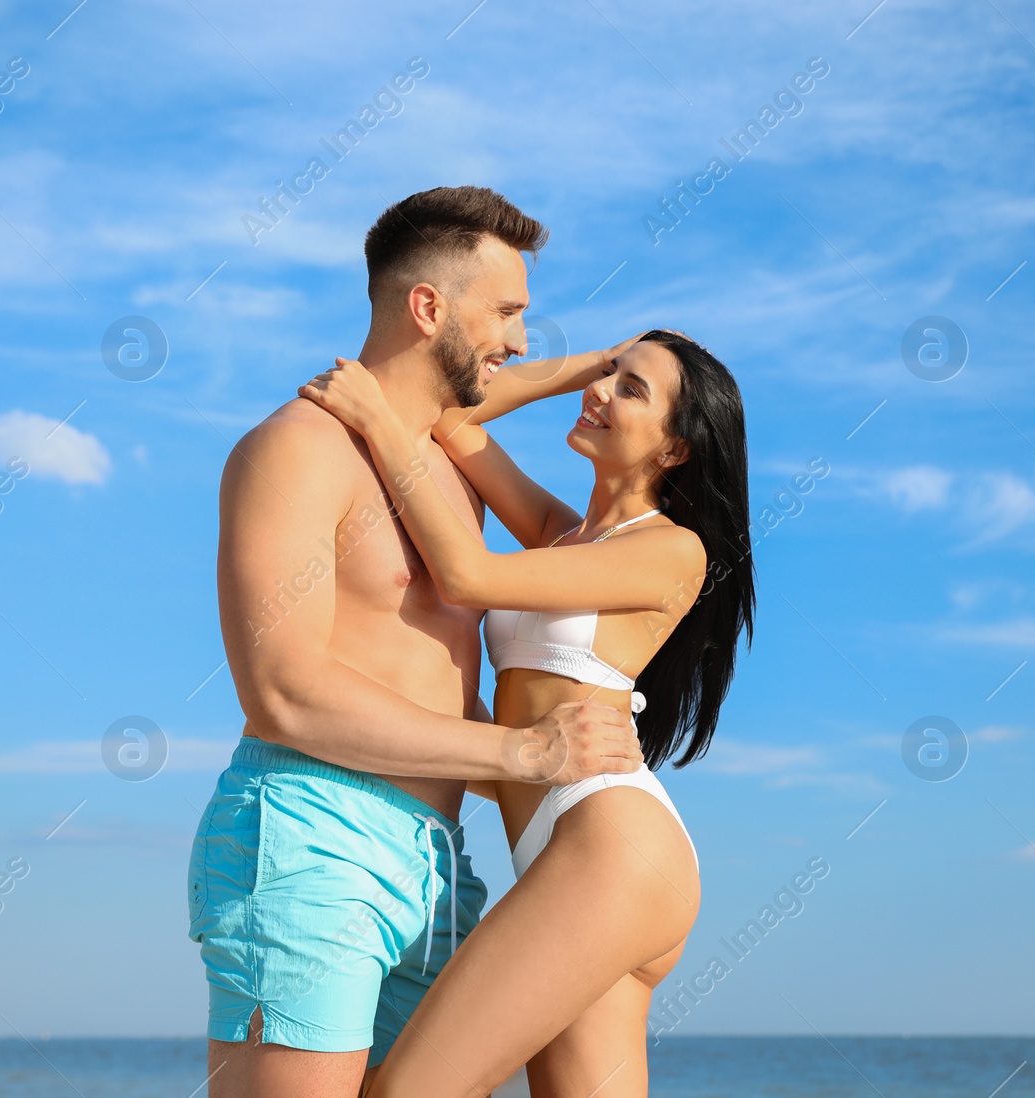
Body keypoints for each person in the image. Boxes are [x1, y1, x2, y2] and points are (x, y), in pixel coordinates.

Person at [189, 185, 647, 1098]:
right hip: (312, 832)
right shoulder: (297, 450)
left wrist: (610, 362)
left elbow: (427, 687)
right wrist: (519, 751)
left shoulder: (440, 463)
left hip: (435, 857)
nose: (521, 340)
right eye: (509, 312)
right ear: (428, 307)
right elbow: (281, 692)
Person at [297, 326, 754, 1097]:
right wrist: (590, 363)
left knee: (403, 1091)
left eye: (631, 389)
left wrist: (375, 417)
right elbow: (451, 417)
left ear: (675, 449)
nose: (601, 394)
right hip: (559, 852)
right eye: (610, 377)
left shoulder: (675, 551)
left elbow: (467, 576)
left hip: (613, 848)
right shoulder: (559, 537)